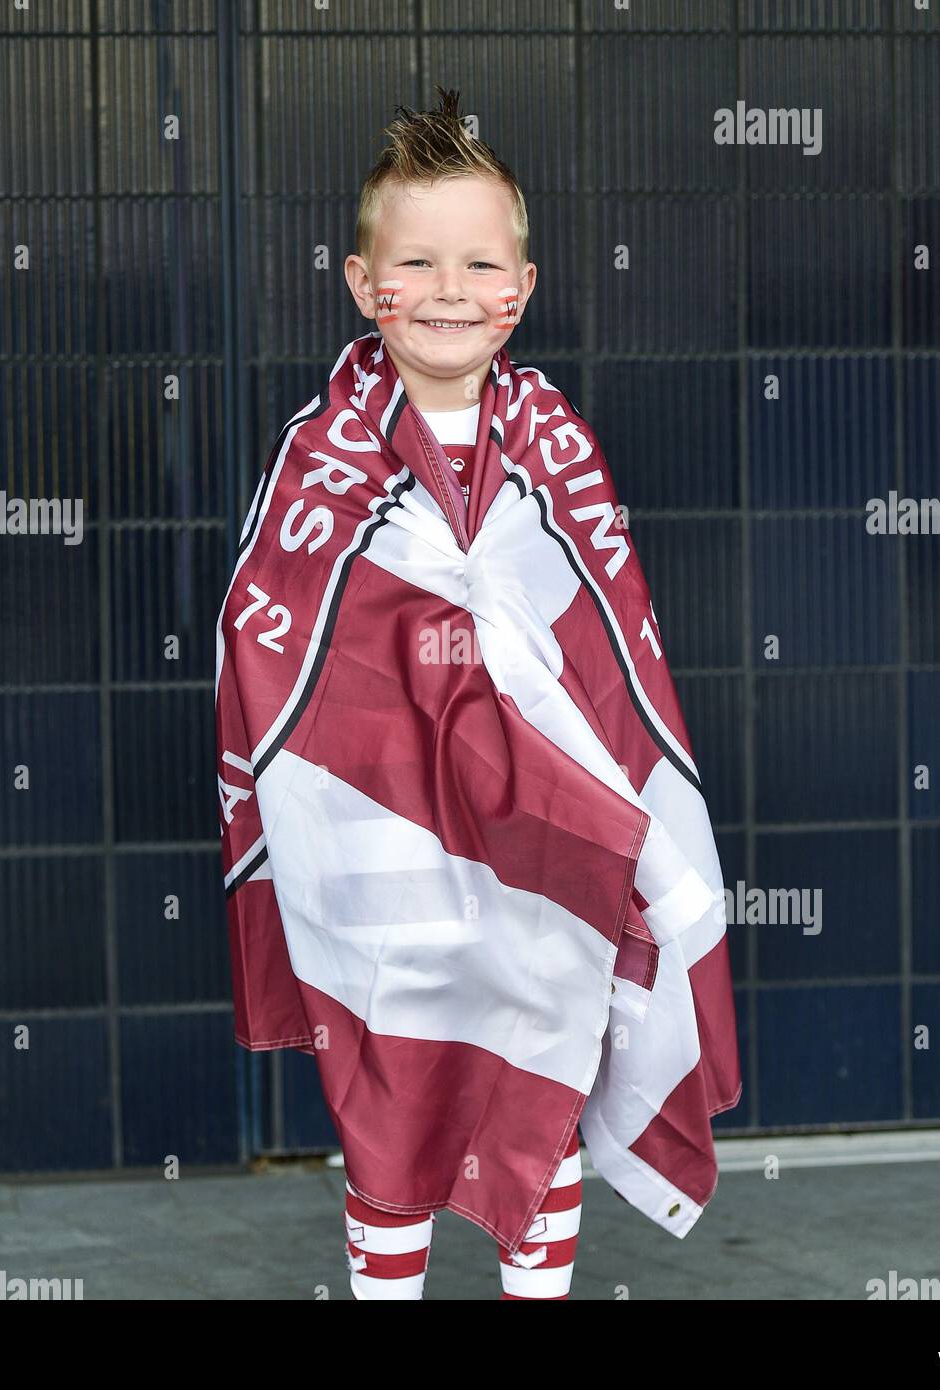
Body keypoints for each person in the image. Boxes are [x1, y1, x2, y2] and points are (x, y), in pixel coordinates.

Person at [214, 87, 741, 1301]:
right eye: (416, 262)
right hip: (385, 841)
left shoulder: (555, 440)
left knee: (541, 1073)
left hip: (539, 833)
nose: (448, 289)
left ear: (520, 287)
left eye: (477, 263)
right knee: (392, 1097)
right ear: (362, 283)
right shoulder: (320, 455)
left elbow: (610, 653)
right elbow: (270, 644)